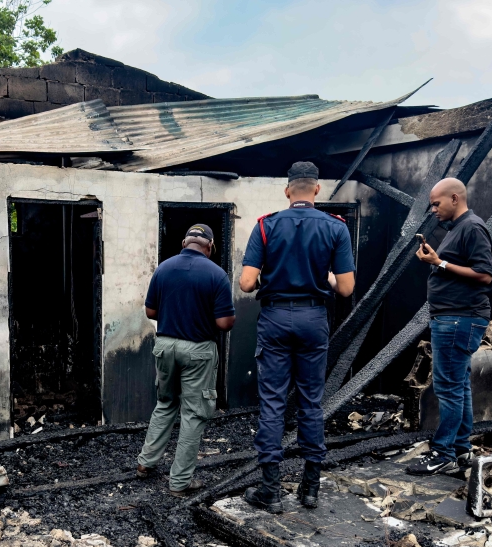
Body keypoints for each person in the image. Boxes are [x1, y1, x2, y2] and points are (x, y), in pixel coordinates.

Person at [239, 161, 355, 513]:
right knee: (310, 402)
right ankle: (310, 489)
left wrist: (271, 280)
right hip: (313, 319)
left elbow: (246, 283)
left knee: (273, 402)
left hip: (275, 317)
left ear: (288, 191)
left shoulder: (266, 226)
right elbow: (346, 288)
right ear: (317, 189)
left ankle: (271, 491)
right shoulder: (336, 228)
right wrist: (325, 281)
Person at [136, 224, 236, 497]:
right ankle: (180, 482)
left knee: (166, 403)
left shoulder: (164, 268)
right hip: (199, 350)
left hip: (165, 345)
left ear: (184, 242)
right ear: (210, 247)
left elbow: (151, 310)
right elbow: (225, 323)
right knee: (193, 413)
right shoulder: (217, 275)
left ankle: (146, 463)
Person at [406, 177, 492, 475]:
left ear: (455, 198)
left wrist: (440, 263)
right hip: (454, 317)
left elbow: (485, 275)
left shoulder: (472, 227)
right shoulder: (458, 228)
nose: (433, 209)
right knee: (458, 386)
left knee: (448, 387)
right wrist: (437, 260)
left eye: (436, 203)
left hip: (459, 319)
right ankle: (461, 449)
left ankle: (442, 452)